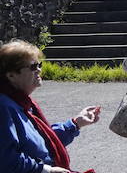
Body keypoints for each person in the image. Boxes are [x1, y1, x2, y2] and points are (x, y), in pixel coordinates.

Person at [0, 39, 101, 173]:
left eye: (39, 64)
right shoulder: (4, 107)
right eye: (33, 66)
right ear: (11, 75)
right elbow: (7, 161)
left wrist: (75, 123)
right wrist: (46, 170)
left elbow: (44, 142)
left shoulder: (23, 102)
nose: (39, 70)